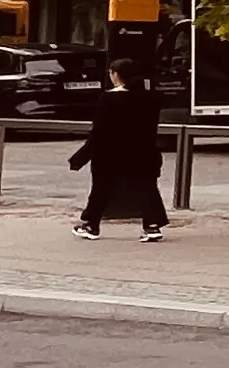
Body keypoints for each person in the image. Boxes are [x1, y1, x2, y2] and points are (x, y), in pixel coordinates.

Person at [69, 59, 170, 243]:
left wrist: (81, 156)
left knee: (101, 189)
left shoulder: (108, 99)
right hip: (143, 151)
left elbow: (99, 132)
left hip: (110, 153)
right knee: (146, 188)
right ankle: (152, 226)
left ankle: (91, 225)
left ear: (116, 75)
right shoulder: (149, 99)